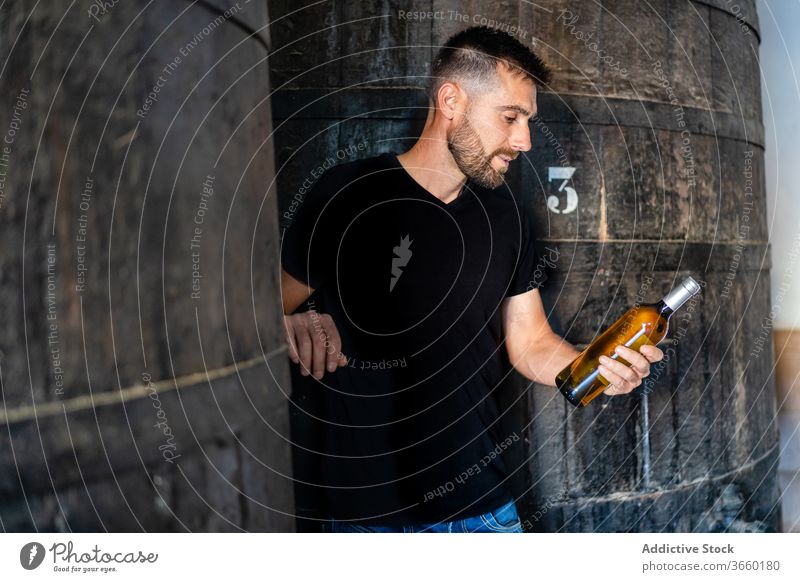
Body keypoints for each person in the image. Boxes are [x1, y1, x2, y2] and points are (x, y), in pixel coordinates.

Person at [280, 26, 663, 533]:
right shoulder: (349, 195)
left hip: (484, 513)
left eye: (527, 120)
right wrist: (293, 324)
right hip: (366, 519)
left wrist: (598, 369)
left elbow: (529, 344)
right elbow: (260, 311)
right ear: (451, 100)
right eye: (510, 117)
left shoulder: (507, 217)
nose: (524, 141)